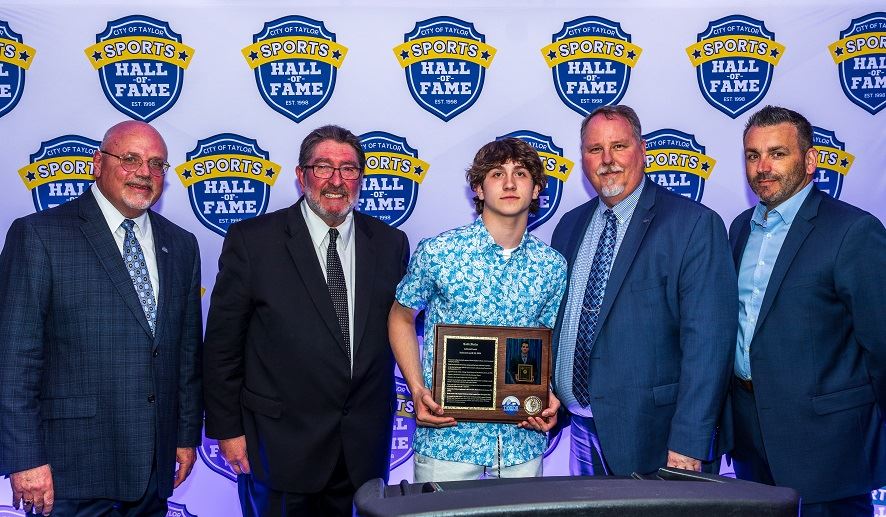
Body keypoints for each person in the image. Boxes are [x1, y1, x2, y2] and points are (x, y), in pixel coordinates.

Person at [202, 125, 409, 516]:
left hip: (362, 450)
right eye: (323, 167)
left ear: (360, 178)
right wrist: (227, 430)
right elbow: (222, 347)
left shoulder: (389, 243)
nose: (336, 180)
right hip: (277, 447)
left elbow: (399, 332)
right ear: (301, 176)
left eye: (348, 169)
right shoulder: (253, 241)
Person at [0, 120, 203, 516]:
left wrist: (184, 436)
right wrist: (24, 459)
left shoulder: (180, 244)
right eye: (130, 159)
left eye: (157, 164)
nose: (145, 172)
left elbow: (186, 353)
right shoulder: (40, 235)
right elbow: (13, 360)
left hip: (152, 468)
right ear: (97, 163)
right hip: (67, 471)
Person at [551, 105, 736, 477]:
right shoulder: (569, 227)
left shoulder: (693, 224)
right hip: (582, 430)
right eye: (594, 150)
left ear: (642, 149)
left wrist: (689, 440)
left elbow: (709, 344)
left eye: (618, 146)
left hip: (657, 438)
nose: (607, 160)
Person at [729, 105, 886, 516]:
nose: (763, 167)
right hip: (750, 439)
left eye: (777, 153)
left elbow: (882, 345)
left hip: (829, 448)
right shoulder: (740, 228)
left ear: (810, 160)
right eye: (752, 155)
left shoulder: (853, 231)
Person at [389, 138, 566, 482]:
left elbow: (543, 347)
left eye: (521, 174)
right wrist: (416, 388)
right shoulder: (440, 252)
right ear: (478, 189)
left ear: (536, 190)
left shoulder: (552, 266)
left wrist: (548, 395)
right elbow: (400, 316)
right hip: (448, 440)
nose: (511, 183)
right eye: (498, 174)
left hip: (521, 441)